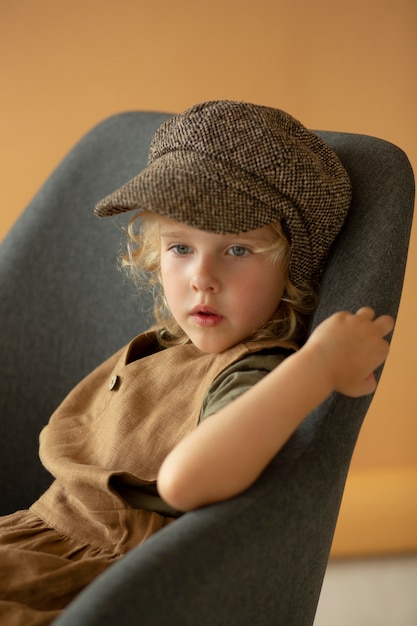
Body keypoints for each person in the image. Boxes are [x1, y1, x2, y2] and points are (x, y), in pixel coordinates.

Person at [0, 100, 394, 624]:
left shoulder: (254, 372)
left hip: (87, 583)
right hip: (28, 540)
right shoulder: (166, 346)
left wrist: (318, 365)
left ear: (293, 268)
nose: (201, 277)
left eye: (237, 250)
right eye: (180, 246)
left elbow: (187, 481)